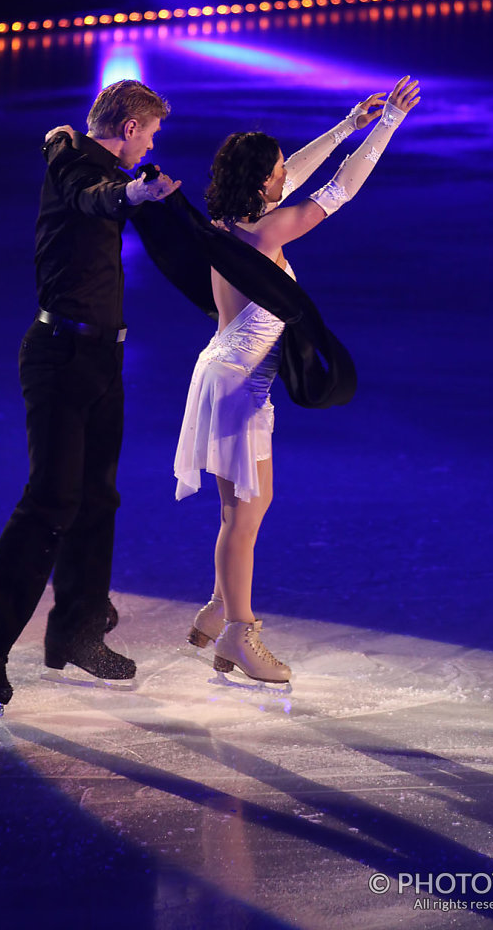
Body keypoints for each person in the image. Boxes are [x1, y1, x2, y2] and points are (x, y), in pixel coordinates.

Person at [174, 75, 421, 683]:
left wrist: (344, 127)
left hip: (230, 374)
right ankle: (238, 633)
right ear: (264, 181)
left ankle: (218, 608)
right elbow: (338, 189)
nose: (288, 173)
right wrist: (387, 124)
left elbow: (296, 174)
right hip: (236, 386)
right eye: (279, 169)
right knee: (244, 514)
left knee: (247, 506)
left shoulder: (233, 221)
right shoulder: (264, 233)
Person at [0, 79, 180, 711]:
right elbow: (92, 197)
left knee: (97, 498)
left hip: (104, 355)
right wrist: (133, 192)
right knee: (51, 499)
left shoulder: (68, 151)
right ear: (130, 126)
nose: (152, 144)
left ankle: (77, 631)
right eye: (150, 132)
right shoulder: (79, 166)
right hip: (59, 356)